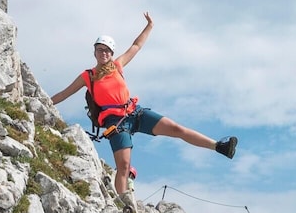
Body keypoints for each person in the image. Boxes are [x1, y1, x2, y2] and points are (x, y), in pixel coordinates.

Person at [50, 12, 237, 197]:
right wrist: (43, 101)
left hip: (135, 113)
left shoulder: (117, 65)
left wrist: (149, 26)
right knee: (123, 165)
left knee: (176, 128)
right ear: (94, 52)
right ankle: (125, 204)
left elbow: (137, 45)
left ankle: (219, 146)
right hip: (115, 123)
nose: (104, 53)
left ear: (112, 53)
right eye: (100, 49)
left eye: (107, 50)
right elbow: (65, 93)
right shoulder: (88, 76)